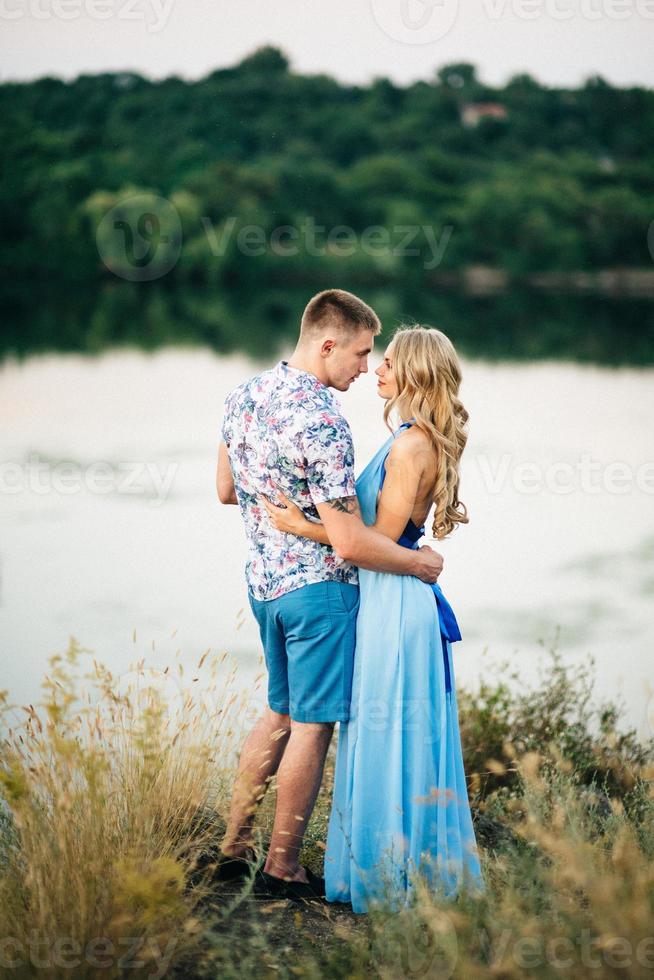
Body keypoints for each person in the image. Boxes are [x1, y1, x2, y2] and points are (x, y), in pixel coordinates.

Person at [216, 290, 444, 901]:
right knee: (313, 727)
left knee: (279, 713)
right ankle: (281, 867)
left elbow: (225, 490)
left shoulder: (244, 395)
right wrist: (418, 563)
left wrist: (281, 502)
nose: (366, 369)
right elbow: (349, 544)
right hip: (319, 596)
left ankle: (231, 851)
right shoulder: (323, 421)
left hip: (265, 586)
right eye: (362, 354)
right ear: (327, 344)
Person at [263, 324, 485, 912]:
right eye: (374, 359)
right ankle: (391, 867)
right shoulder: (411, 437)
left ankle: (391, 878)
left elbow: (376, 540)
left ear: (413, 372)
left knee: (388, 733)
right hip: (392, 591)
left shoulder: (413, 446)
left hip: (394, 596)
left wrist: (301, 527)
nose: (376, 372)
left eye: (387, 363)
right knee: (387, 731)